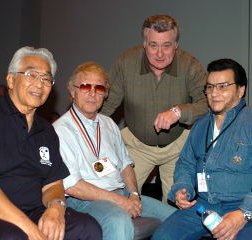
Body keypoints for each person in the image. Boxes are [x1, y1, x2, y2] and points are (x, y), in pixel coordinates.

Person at [0, 47, 102, 240]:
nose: (39, 84)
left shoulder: (46, 130)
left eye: (46, 78)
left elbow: (53, 184)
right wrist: (28, 228)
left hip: (34, 211)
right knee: (13, 237)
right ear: (11, 80)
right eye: (31, 74)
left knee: (87, 227)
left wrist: (56, 208)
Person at [53, 62, 176, 240]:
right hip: (85, 201)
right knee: (118, 219)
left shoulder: (108, 124)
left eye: (99, 88)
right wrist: (120, 202)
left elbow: (125, 165)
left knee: (177, 218)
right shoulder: (60, 130)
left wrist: (133, 195)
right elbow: (72, 186)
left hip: (122, 193)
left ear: (105, 94)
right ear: (73, 92)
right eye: (86, 86)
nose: (92, 93)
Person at [100, 15, 208, 203]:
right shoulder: (125, 63)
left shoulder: (190, 65)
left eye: (166, 45)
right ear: (144, 44)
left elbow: (207, 104)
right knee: (121, 199)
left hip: (177, 147)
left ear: (176, 45)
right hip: (136, 145)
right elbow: (108, 105)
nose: (159, 53)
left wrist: (178, 112)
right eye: (153, 45)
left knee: (176, 204)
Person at [152, 59, 252, 240]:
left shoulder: (249, 123)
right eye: (210, 87)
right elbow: (186, 163)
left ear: (241, 90)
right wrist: (182, 188)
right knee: (162, 236)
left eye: (223, 86)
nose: (214, 93)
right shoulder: (200, 126)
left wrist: (244, 213)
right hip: (203, 206)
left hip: (242, 206)